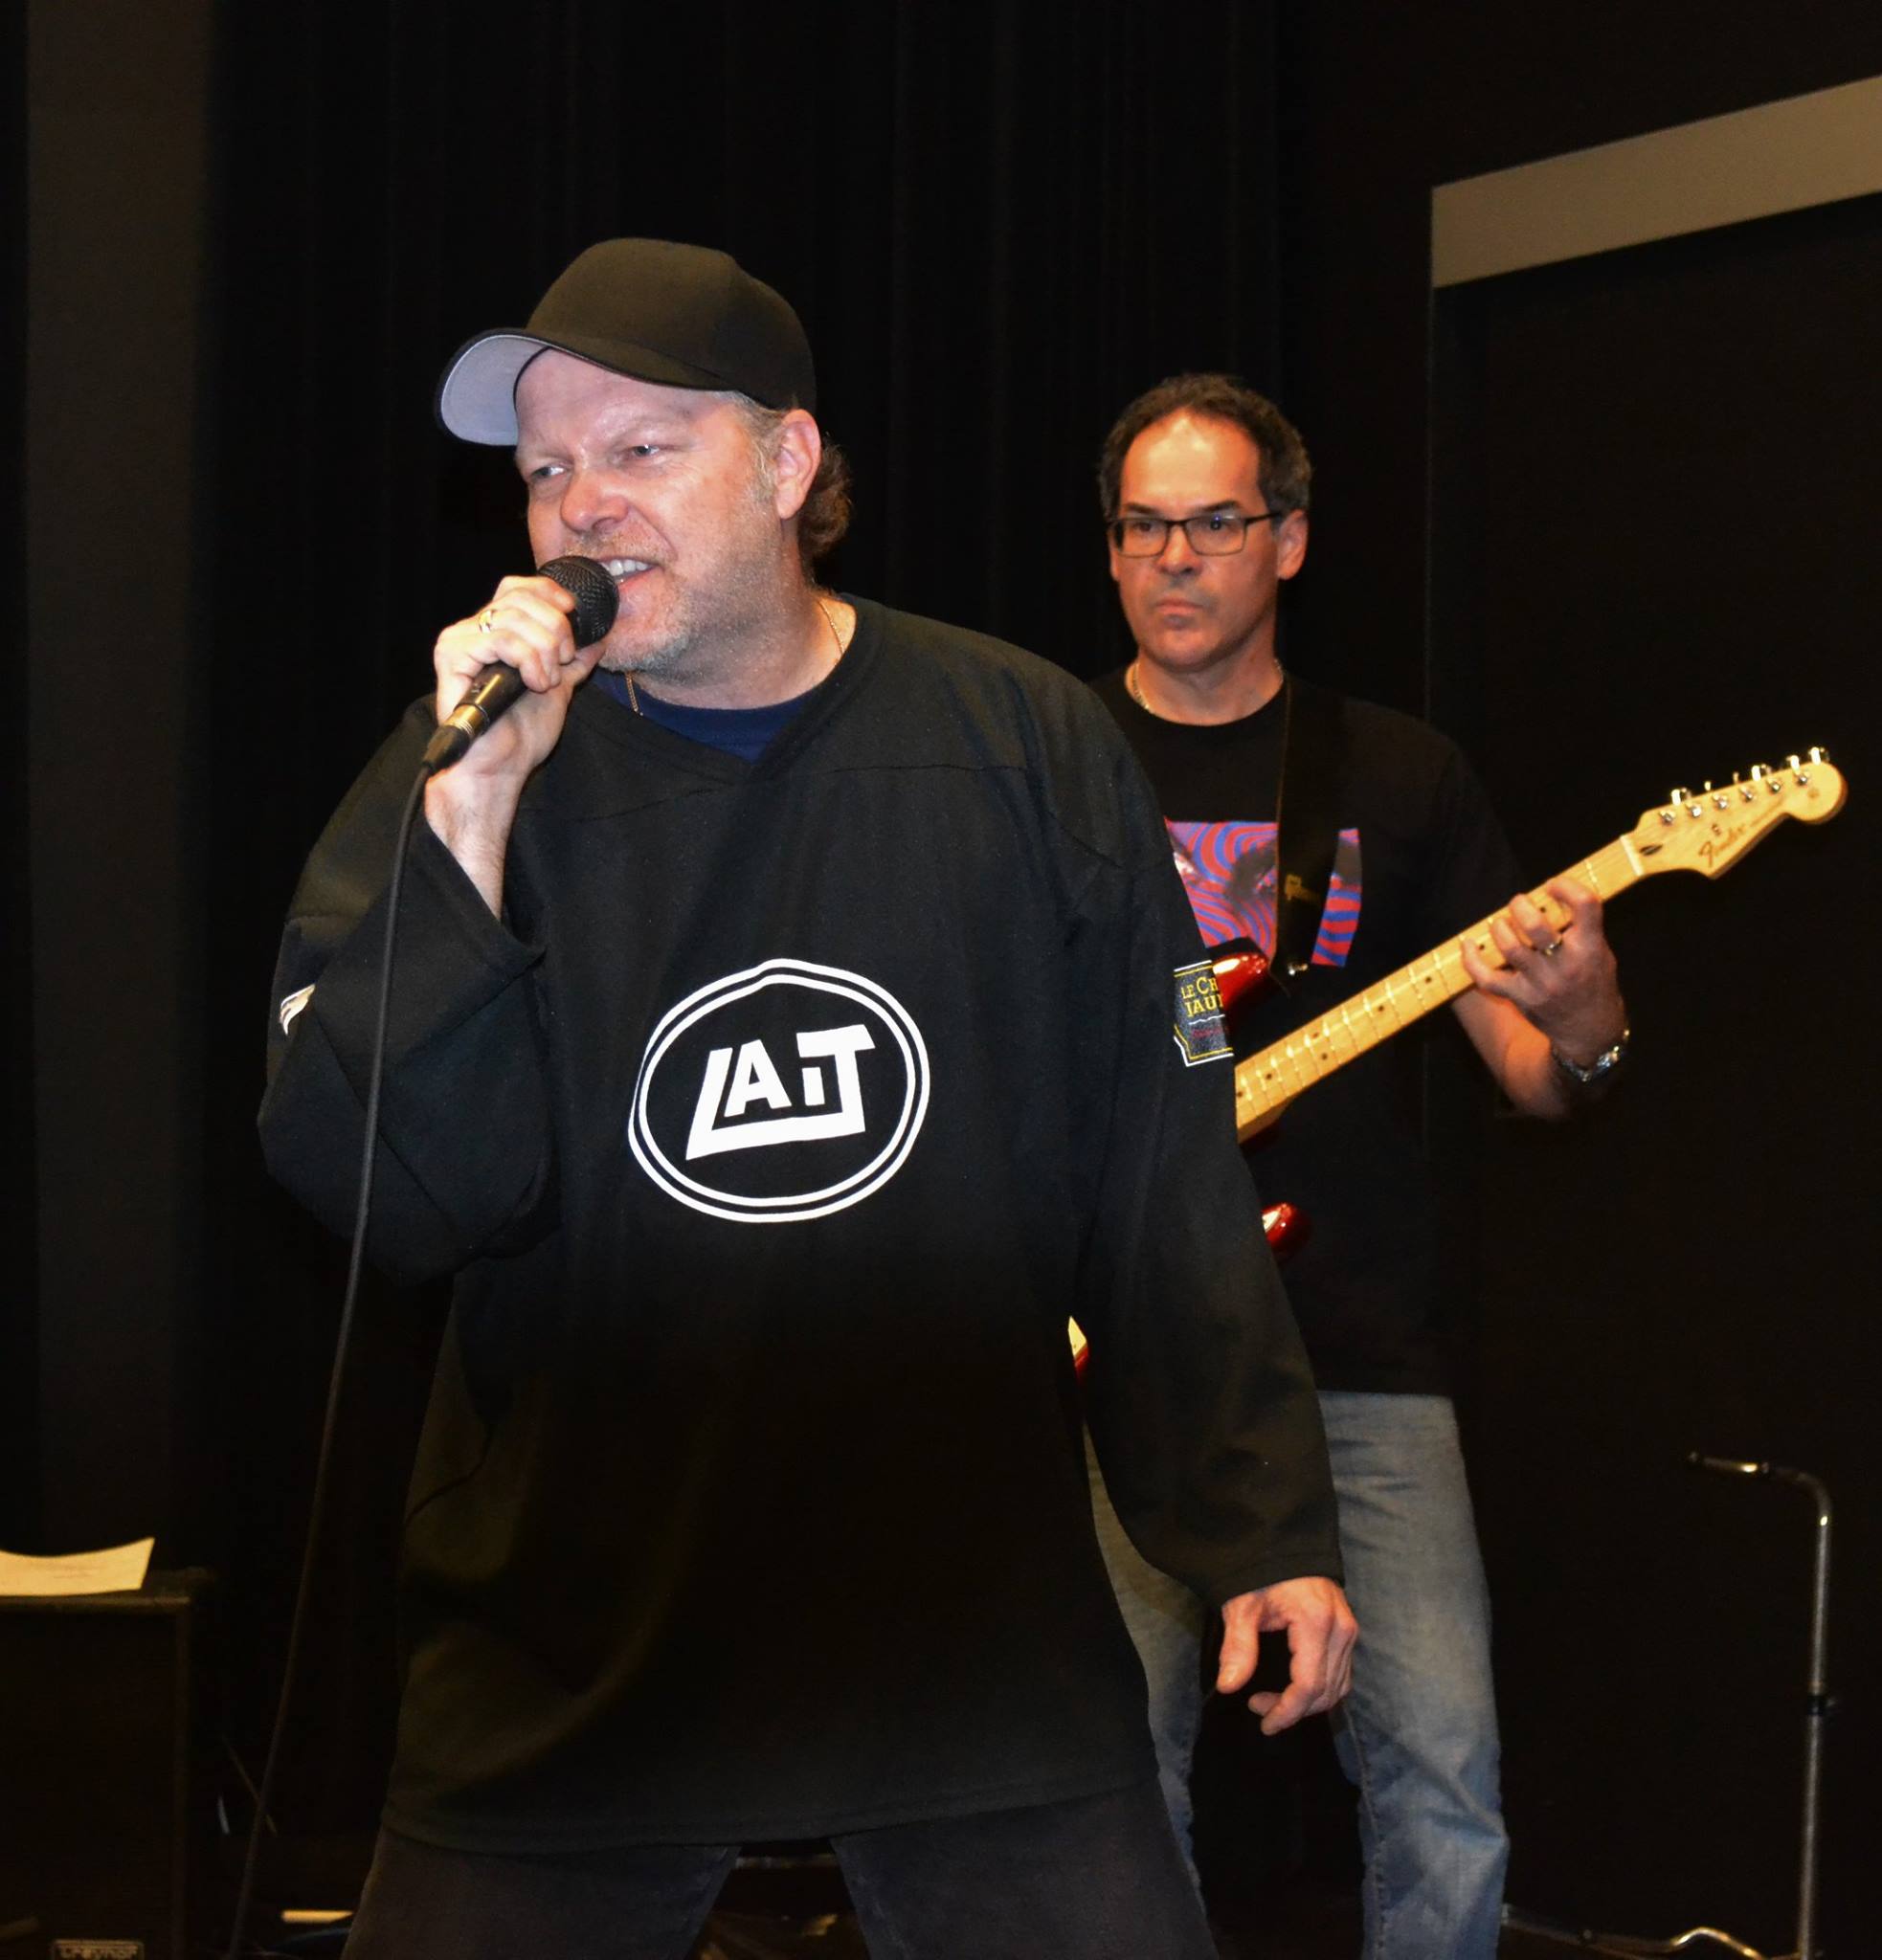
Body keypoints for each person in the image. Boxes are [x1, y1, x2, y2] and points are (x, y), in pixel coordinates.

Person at [258, 243, 1357, 1959]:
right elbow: (396, 1195)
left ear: (786, 462)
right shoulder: (473, 766)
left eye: (639, 449)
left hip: (963, 1637)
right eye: (545, 469)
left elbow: (1156, 1172)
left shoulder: (1021, 742)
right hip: (578, 1641)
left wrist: (1256, 1515)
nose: (580, 507)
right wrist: (466, 822)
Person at [1086, 373, 1629, 1959]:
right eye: (1141, 526)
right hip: (1122, 1344)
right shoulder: (1048, 756)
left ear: (1289, 539)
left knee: (1442, 1774)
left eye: (1213, 523)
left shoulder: (1396, 776)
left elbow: (1532, 1076)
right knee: (1103, 1775)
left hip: (1357, 1349)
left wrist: (1585, 1020)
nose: (1173, 557)